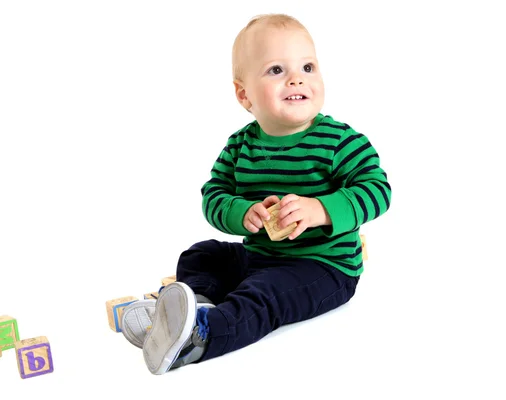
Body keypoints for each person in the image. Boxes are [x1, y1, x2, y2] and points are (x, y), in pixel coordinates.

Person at [120, 13, 392, 375]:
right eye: (276, 70)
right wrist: (241, 211)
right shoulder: (239, 145)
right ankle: (195, 304)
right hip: (259, 255)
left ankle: (200, 336)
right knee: (201, 254)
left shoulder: (340, 141)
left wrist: (320, 209)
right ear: (244, 94)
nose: (297, 78)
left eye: (308, 67)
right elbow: (214, 196)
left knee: (265, 294)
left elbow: (377, 189)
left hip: (323, 267)